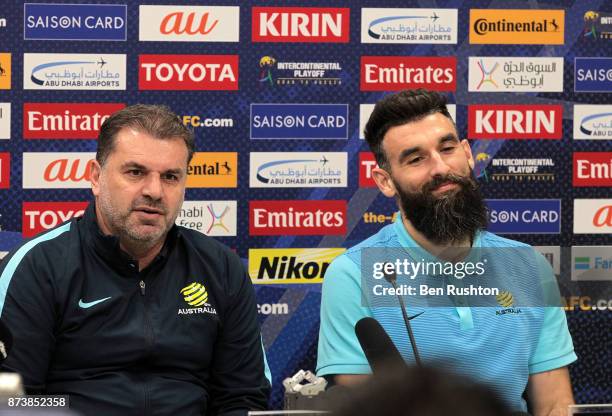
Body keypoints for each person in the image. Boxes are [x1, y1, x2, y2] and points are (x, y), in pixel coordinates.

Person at [316, 90, 576, 415]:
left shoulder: (529, 266)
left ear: (467, 154)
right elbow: (366, 409)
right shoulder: (353, 274)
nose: (440, 168)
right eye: (416, 159)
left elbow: (554, 405)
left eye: (447, 148)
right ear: (385, 181)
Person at [0, 105, 271, 415]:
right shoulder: (38, 266)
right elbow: (15, 402)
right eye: (135, 172)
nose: (154, 191)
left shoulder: (221, 268)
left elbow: (242, 398)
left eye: (170, 177)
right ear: (96, 177)